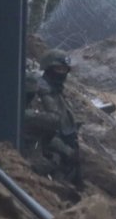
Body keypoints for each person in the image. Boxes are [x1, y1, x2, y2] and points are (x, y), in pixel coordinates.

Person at [23, 52, 82, 186]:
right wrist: (67, 151)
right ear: (49, 68)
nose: (62, 73)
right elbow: (47, 128)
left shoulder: (56, 91)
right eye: (58, 69)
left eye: (64, 70)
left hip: (62, 147)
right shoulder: (40, 91)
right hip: (43, 151)